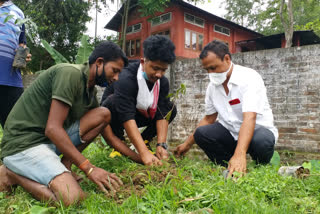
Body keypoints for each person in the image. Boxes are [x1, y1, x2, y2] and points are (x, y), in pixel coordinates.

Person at [0, 41, 128, 206]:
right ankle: (13, 174)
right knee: (72, 198)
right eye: (115, 70)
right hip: (23, 144)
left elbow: (110, 137)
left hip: (46, 143)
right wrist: (89, 168)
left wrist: (144, 157)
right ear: (99, 62)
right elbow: (53, 129)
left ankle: (64, 166)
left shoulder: (90, 91)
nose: (116, 78)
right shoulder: (69, 73)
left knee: (103, 114)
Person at [174, 40, 278, 177]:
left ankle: (261, 167)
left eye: (213, 67)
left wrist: (240, 154)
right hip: (230, 132)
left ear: (227, 59)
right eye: (207, 70)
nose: (211, 73)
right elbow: (209, 118)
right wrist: (187, 144)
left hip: (256, 132)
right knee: (202, 133)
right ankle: (228, 168)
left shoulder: (249, 78)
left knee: (261, 141)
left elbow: (250, 117)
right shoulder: (212, 87)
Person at [100, 35, 177, 166]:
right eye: (155, 68)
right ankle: (119, 144)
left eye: (163, 70)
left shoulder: (162, 82)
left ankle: (144, 140)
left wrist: (161, 144)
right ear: (143, 62)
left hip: (140, 114)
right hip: (115, 115)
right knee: (112, 102)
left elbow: (162, 112)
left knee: (170, 108)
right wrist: (143, 154)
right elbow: (126, 115)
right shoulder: (126, 78)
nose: (159, 74)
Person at [0, 0, 32, 128]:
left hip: (11, 80)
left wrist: (24, 55)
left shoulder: (18, 13)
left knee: (14, 129)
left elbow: (21, 44)